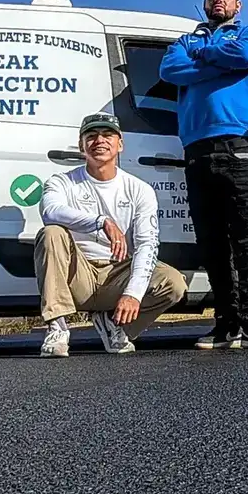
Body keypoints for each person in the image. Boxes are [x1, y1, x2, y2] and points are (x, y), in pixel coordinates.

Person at [159, 0, 248, 350]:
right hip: (197, 147)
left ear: (237, 4)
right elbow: (170, 71)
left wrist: (206, 58)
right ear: (204, 2)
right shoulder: (186, 40)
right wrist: (219, 61)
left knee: (247, 238)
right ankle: (226, 322)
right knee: (211, 241)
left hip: (239, 144)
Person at [35, 111, 187, 357]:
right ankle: (58, 328)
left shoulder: (140, 190)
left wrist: (132, 294)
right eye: (92, 136)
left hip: (117, 274)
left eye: (107, 135)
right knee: (51, 233)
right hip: (77, 275)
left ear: (120, 144)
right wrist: (101, 222)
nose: (100, 141)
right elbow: (50, 211)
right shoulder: (62, 182)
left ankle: (116, 325)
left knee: (173, 283)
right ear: (81, 144)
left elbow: (147, 245)